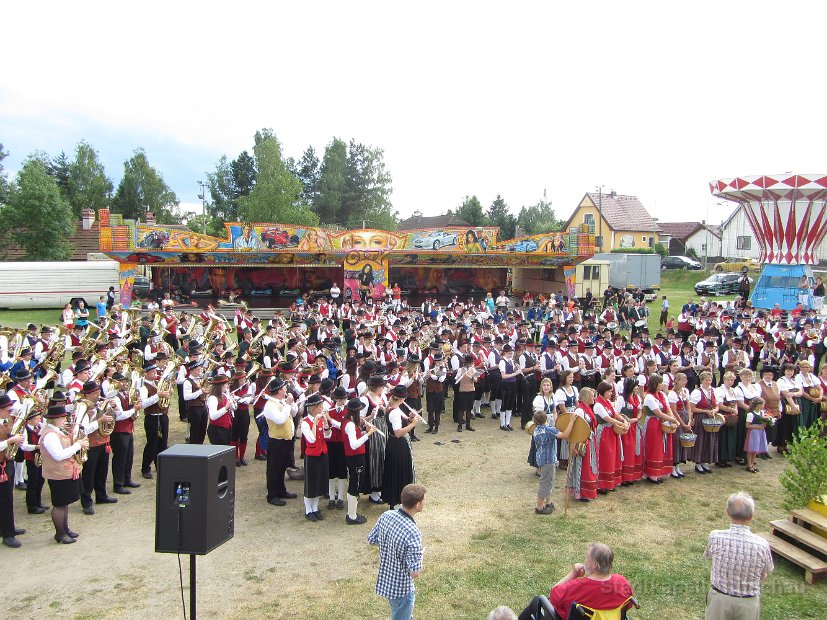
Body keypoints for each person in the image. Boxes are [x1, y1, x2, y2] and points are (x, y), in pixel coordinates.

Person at [518, 543, 634, 620]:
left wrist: (573, 574)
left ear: (594, 564)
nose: (585, 560)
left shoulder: (579, 587)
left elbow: (554, 595)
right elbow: (628, 605)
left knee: (537, 601)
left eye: (587, 558)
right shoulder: (622, 583)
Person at [704, 492, 773, 620]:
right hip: (748, 604)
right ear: (751, 516)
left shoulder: (715, 536)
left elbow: (709, 556)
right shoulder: (762, 544)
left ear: (727, 512)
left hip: (720, 600)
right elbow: (764, 575)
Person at [368, 483, 426, 620]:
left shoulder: (387, 515)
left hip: (387, 580)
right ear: (417, 505)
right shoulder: (413, 532)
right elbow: (415, 572)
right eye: (424, 501)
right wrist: (421, 561)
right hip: (402, 589)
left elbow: (371, 539)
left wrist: (390, 546)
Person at [39, 404, 88, 544]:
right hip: (57, 473)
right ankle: (60, 533)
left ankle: (65, 529)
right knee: (60, 504)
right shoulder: (50, 435)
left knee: (64, 503)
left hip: (64, 472)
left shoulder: (57, 431)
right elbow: (58, 455)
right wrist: (78, 446)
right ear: (57, 418)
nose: (66, 419)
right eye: (63, 417)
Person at [382, 385, 421, 508]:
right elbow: (398, 433)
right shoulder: (394, 412)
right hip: (397, 444)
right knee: (398, 472)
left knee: (398, 471)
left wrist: (410, 418)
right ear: (402, 398)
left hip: (395, 444)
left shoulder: (396, 409)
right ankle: (396, 502)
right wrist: (413, 424)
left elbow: (401, 424)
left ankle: (397, 501)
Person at [0, 395, 26, 547]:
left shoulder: (7, 420)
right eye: (8, 410)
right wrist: (10, 441)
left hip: (7, 463)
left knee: (7, 498)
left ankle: (7, 528)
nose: (11, 412)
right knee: (4, 499)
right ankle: (8, 534)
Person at [531, 410, 559, 515]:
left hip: (541, 458)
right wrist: (570, 423)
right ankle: (539, 507)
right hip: (548, 459)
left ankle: (548, 502)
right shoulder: (549, 430)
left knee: (548, 481)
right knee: (545, 482)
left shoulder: (536, 430)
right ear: (546, 419)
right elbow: (564, 435)